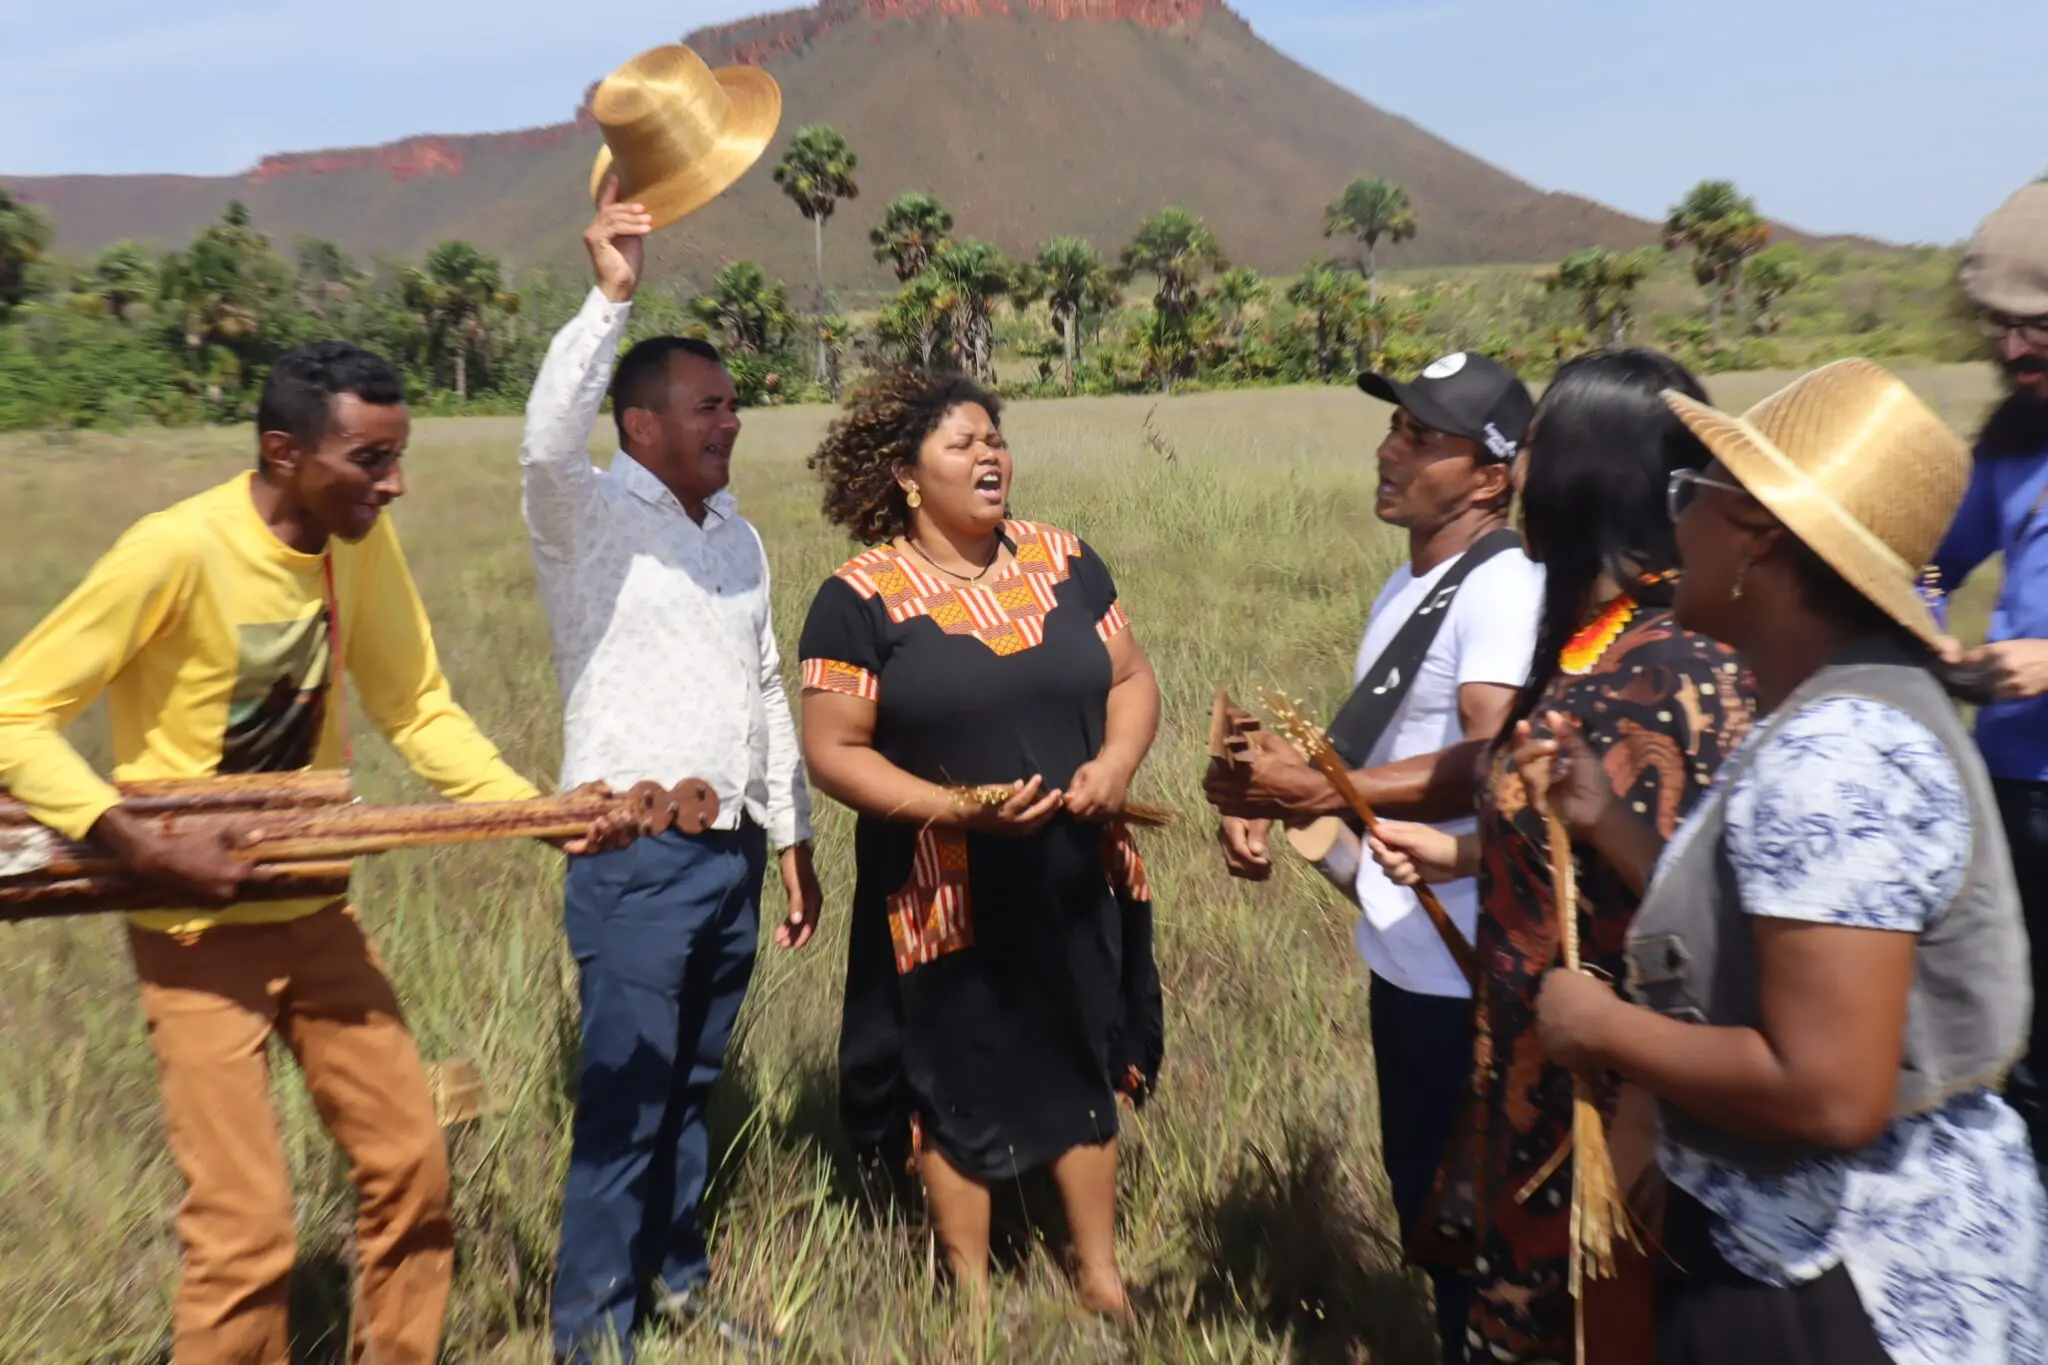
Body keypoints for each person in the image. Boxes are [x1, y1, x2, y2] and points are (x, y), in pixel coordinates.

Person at [0, 342, 620, 1364]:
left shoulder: (357, 545)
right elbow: (18, 712)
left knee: (412, 1167)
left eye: (399, 455)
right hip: (195, 935)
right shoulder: (175, 550)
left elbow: (416, 707)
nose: (395, 483)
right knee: (245, 1231)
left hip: (313, 910)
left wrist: (533, 811)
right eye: (369, 460)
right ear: (284, 452)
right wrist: (135, 841)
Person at [1523, 358, 2048, 1363]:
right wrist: (1612, 828)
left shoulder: (1837, 750)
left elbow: (1825, 1092)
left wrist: (1601, 1027)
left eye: (1695, 495)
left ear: (1754, 539)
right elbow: (1777, 937)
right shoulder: (1839, 707)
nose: (1675, 522)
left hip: (1837, 1286)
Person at [1369, 350, 1752, 1363]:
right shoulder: (1607, 644)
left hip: (1608, 1122)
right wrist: (1462, 855)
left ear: (1590, 469)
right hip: (1539, 1095)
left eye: (1534, 448)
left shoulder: (1660, 671)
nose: (1518, 472)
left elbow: (1688, 898)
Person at [520, 190, 821, 1360]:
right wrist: (610, 298)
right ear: (638, 425)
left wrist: (789, 842)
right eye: (706, 407)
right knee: (624, 1106)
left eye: (734, 407)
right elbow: (544, 438)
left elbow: (760, 690)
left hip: (732, 851)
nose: (729, 423)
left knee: (692, 1089)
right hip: (632, 855)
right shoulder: (584, 517)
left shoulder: (735, 536)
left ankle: (677, 1286)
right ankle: (588, 1334)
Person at [796, 370, 1163, 1317]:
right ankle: (967, 1293)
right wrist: (955, 808)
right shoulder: (859, 597)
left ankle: (1099, 1274)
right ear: (909, 477)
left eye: (994, 436)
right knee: (951, 1072)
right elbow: (834, 754)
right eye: (962, 442)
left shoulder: (1065, 559)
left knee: (1081, 1055)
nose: (989, 453)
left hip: (1073, 869)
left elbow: (1131, 677)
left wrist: (1117, 764)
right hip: (939, 884)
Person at [1204, 349, 1544, 1364]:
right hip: (1409, 954)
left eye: (1420, 438)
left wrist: (1321, 791)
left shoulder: (1504, 587)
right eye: (1392, 428)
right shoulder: (1415, 582)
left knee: (1471, 1230)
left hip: (1471, 970)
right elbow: (1379, 749)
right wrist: (1274, 799)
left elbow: (1496, 755)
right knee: (1429, 1212)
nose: (1388, 452)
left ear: (1490, 475)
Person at [1935, 180, 2048, 1161]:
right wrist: (1922, 632)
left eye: (2037, 330)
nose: (2010, 353)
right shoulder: (2011, 446)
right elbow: (1932, 561)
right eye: (1996, 328)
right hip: (2013, 792)